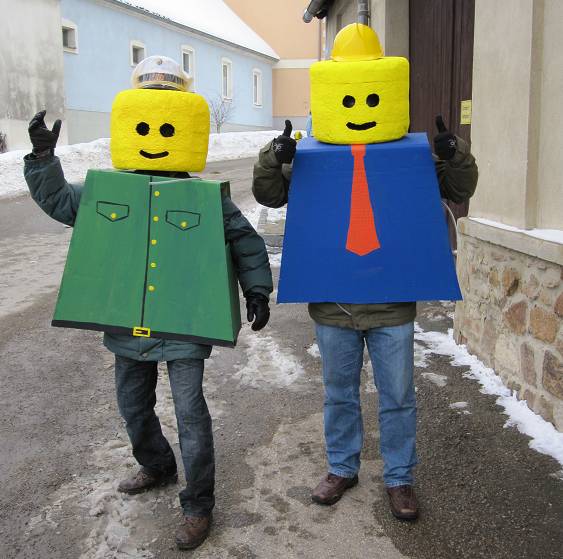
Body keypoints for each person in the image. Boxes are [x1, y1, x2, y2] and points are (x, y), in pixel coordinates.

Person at [24, 56, 272, 550]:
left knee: (191, 414)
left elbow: (244, 241)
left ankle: (198, 504)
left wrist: (257, 290)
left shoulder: (205, 197)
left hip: (184, 324)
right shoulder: (108, 191)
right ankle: (156, 463)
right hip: (127, 323)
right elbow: (61, 202)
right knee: (133, 407)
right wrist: (42, 158)